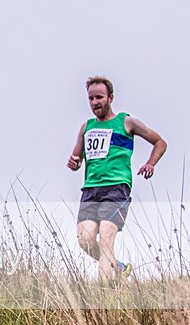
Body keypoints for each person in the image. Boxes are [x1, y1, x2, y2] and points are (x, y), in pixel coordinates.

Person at [67, 76, 166, 280]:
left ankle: (104, 293)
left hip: (116, 188)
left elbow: (160, 142)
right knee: (85, 240)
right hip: (90, 189)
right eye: (91, 98)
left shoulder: (126, 122)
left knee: (106, 237)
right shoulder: (86, 128)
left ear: (110, 97)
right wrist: (74, 163)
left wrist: (150, 163)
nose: (95, 102)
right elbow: (77, 160)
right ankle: (119, 268)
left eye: (99, 97)